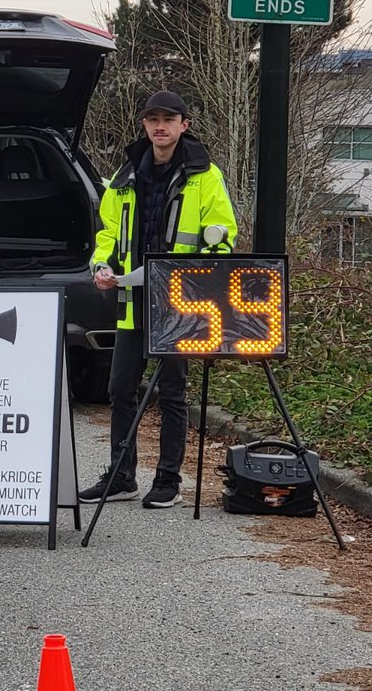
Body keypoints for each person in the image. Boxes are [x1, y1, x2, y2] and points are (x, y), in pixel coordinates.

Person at [79, 90, 238, 509]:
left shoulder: (205, 175)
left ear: (185, 124)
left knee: (171, 392)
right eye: (152, 119)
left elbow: (222, 235)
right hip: (133, 300)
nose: (160, 126)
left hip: (180, 304)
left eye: (168, 119)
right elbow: (108, 234)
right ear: (144, 125)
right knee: (120, 389)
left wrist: (202, 276)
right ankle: (121, 476)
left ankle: (168, 479)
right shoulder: (125, 175)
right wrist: (100, 267)